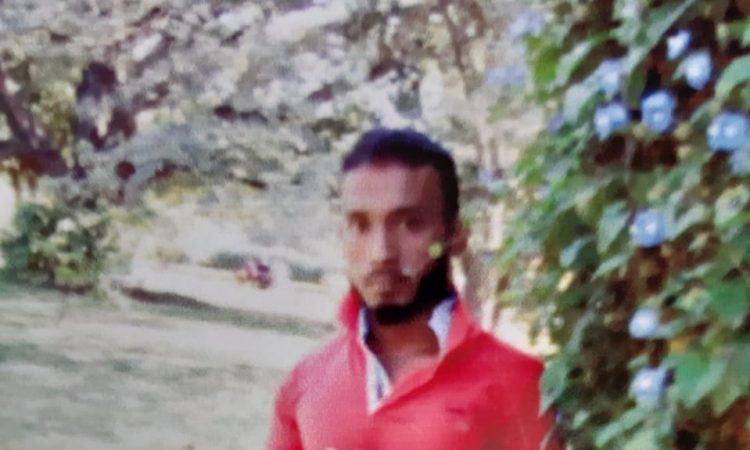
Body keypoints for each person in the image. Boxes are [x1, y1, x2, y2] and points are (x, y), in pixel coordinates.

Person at [268, 128, 559, 450]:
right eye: (360, 225)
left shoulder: (516, 383)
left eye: (411, 224)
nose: (381, 252)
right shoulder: (307, 381)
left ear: (455, 235)